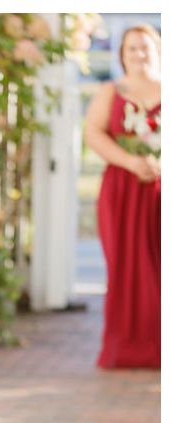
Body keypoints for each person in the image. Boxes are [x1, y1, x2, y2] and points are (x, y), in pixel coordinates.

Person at [85, 24, 161, 369]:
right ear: (122, 54)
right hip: (122, 189)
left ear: (157, 49)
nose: (139, 54)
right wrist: (132, 162)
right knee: (124, 267)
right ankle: (124, 349)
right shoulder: (109, 91)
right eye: (132, 48)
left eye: (145, 47)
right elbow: (94, 134)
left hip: (162, 191)